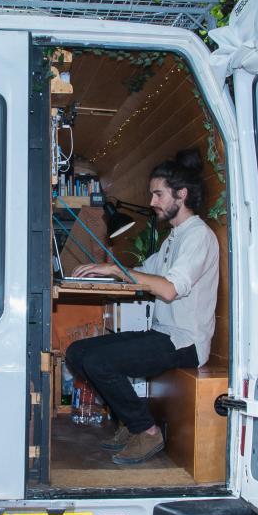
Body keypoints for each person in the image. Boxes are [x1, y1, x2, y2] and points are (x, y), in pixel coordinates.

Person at [65, 149, 219, 465]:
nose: (152, 202)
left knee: (98, 361)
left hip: (185, 342)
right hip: (162, 334)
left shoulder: (199, 237)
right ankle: (131, 422)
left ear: (182, 194)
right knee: (77, 353)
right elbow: (139, 273)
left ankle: (146, 431)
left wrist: (114, 271)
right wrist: (102, 270)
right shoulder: (174, 239)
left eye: (158, 194)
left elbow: (169, 288)